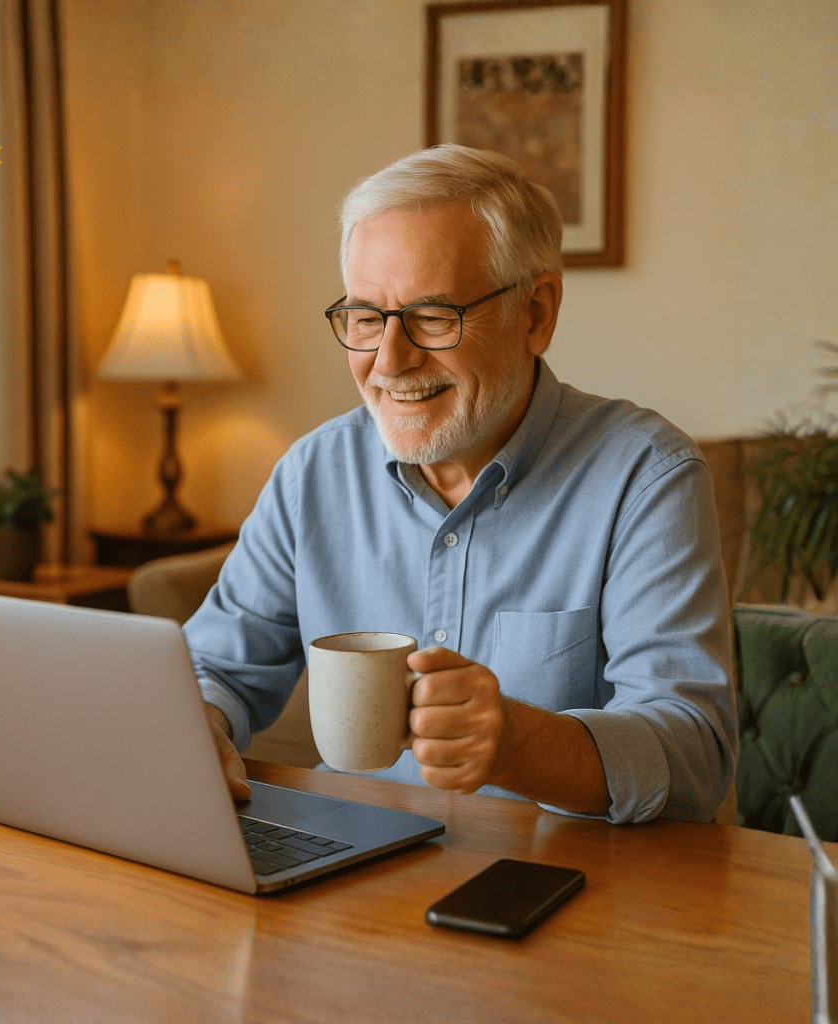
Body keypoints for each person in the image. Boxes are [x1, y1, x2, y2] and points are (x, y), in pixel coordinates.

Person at [185, 144, 738, 824]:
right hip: (346, 868)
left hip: (568, 889)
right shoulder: (313, 471)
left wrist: (520, 744)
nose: (389, 360)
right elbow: (214, 668)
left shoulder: (644, 476)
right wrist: (197, 727)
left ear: (536, 313)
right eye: (365, 318)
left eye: (433, 316)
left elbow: (695, 753)